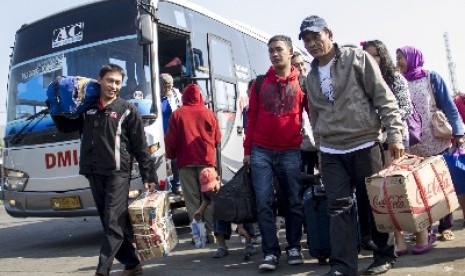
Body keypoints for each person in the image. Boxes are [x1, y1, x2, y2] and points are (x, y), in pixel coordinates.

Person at [299, 16, 405, 276]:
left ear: (329, 34)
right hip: (332, 150)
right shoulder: (310, 77)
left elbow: (383, 97)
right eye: (307, 40)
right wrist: (321, 151)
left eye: (316, 37)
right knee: (338, 207)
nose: (312, 44)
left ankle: (383, 255)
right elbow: (316, 117)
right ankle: (343, 266)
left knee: (373, 204)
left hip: (365, 142)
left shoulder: (357, 59)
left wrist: (395, 135)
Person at [75, 64, 157, 276]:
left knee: (113, 222)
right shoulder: (88, 109)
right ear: (100, 80)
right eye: (110, 81)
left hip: (118, 174)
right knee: (109, 224)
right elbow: (65, 127)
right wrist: (55, 105)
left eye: (118, 82)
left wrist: (149, 175)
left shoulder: (127, 109)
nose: (113, 86)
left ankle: (102, 271)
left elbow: (140, 146)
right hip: (93, 171)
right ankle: (132, 264)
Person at [243, 34, 306, 271]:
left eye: (279, 49)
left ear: (290, 52)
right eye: (271, 50)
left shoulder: (303, 83)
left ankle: (294, 247)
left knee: (293, 201)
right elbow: (252, 119)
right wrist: (248, 150)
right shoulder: (260, 83)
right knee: (263, 202)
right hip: (261, 151)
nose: (274, 54)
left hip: (290, 151)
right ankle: (270, 252)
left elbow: (315, 116)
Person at [395, 46, 465, 253]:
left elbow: (448, 106)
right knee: (420, 191)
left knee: (441, 187)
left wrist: (459, 133)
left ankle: (446, 227)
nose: (398, 61)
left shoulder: (431, 77)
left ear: (413, 58)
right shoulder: (399, 83)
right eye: (396, 57)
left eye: (401, 57)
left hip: (436, 140)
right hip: (413, 144)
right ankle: (426, 230)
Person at [361, 39, 412, 253]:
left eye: (376, 55)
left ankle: (418, 233)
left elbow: (405, 109)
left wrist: (384, 124)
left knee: (400, 188)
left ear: (384, 56)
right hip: (373, 142)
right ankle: (395, 240)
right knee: (384, 194)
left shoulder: (396, 78)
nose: (372, 59)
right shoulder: (361, 79)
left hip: (395, 139)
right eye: (367, 55)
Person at [164, 83, 221, 244]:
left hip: (185, 162)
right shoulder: (209, 113)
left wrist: (171, 155)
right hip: (207, 163)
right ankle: (212, 234)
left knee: (192, 199)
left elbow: (171, 140)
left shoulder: (178, 114)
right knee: (209, 198)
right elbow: (217, 138)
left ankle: (199, 236)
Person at [193, 167, 257, 258]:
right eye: (207, 190)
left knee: (246, 223)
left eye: (212, 188)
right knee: (217, 220)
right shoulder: (208, 192)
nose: (211, 191)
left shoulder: (230, 187)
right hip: (222, 211)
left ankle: (248, 244)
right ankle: (222, 246)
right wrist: (200, 210)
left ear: (218, 179)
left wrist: (240, 227)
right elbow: (206, 200)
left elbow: (240, 208)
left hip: (238, 209)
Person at [160, 73, 183, 195]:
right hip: (159, 131)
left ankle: (177, 184)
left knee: (174, 159)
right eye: (165, 86)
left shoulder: (176, 94)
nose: (167, 88)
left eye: (170, 86)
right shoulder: (153, 95)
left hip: (173, 132)